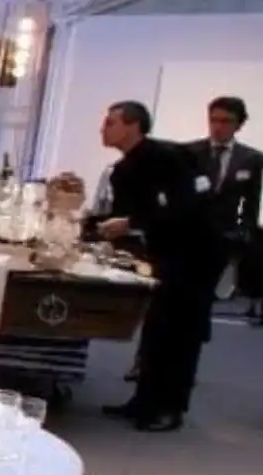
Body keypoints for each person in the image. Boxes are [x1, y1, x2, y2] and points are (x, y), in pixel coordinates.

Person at [94, 100, 220, 431]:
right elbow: (122, 217)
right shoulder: (123, 171)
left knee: (181, 333)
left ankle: (170, 408)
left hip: (195, 255)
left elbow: (185, 206)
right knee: (156, 329)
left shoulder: (170, 157)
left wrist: (131, 223)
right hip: (161, 254)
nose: (103, 129)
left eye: (110, 122)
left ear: (133, 126)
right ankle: (144, 400)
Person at [183, 96, 261, 304]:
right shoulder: (188, 152)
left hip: (223, 236)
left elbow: (251, 201)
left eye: (226, 121)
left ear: (239, 125)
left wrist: (244, 234)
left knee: (208, 295)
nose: (218, 127)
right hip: (187, 234)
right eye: (214, 120)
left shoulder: (251, 158)